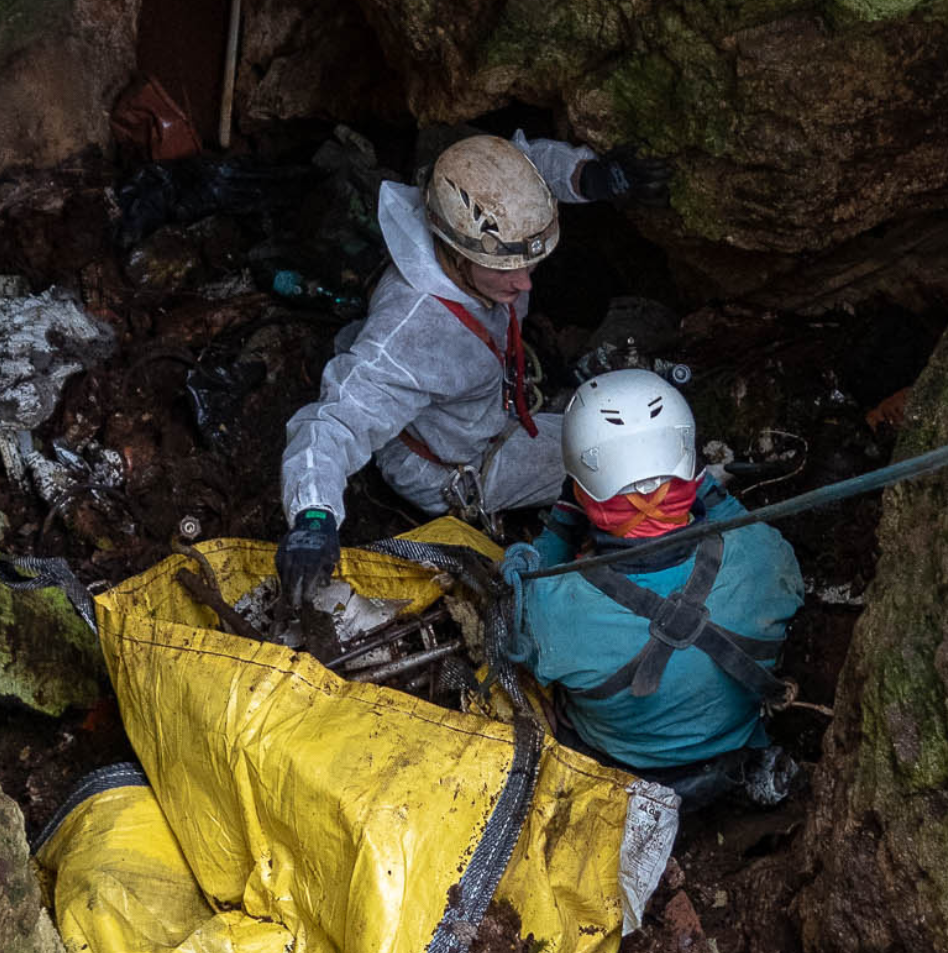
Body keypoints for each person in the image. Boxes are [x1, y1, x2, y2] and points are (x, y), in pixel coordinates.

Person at [275, 132, 669, 607]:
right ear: (456, 253)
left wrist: (586, 177)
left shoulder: (472, 203)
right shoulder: (412, 332)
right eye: (506, 270)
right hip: (455, 463)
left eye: (531, 264)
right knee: (629, 453)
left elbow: (527, 167)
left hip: (484, 402)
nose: (524, 282)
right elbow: (335, 420)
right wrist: (314, 517)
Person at [505, 369, 805, 808]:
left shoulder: (551, 606)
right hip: (732, 752)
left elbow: (530, 583)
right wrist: (705, 486)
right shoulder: (765, 554)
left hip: (619, 768)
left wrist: (565, 515)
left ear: (585, 492)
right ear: (689, 469)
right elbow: (740, 522)